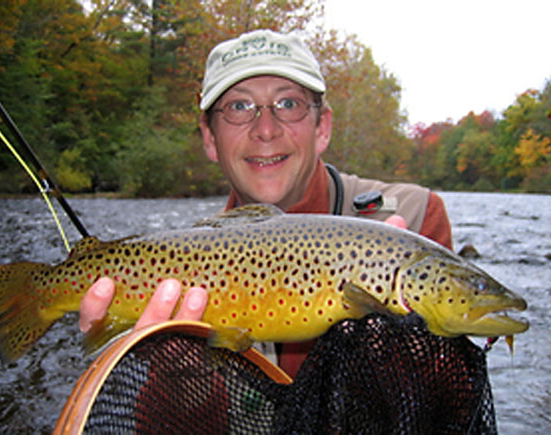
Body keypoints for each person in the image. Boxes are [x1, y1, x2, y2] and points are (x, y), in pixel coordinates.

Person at [79, 29, 452, 379]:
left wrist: (411, 365)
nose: (266, 129)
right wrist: (180, 380)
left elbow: (453, 407)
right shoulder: (185, 258)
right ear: (209, 138)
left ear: (322, 126)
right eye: (240, 107)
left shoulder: (413, 219)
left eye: (287, 103)